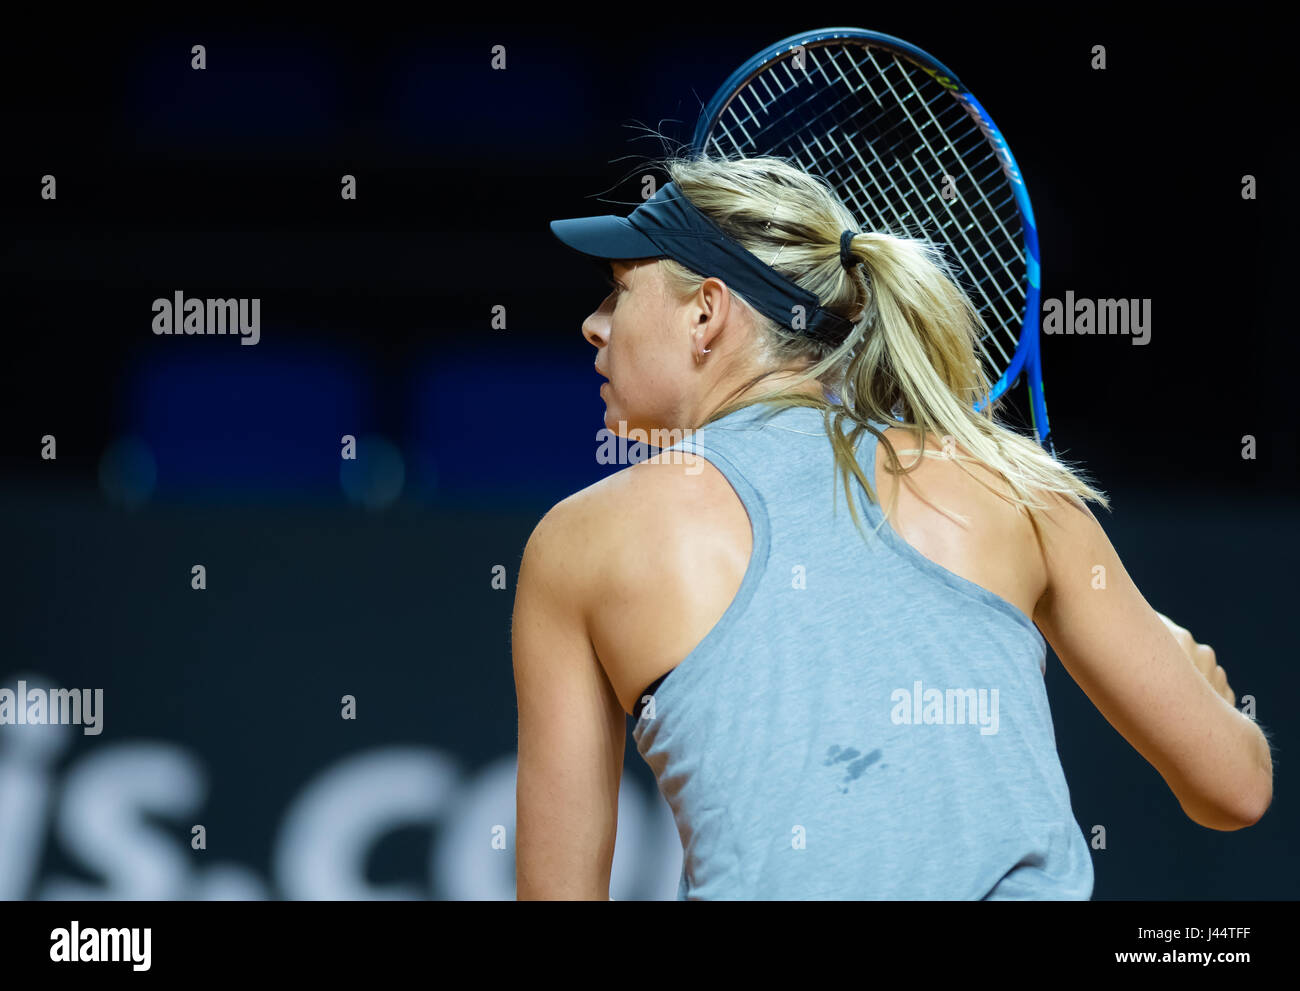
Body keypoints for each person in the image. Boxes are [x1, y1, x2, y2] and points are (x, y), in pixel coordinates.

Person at [512, 154, 1274, 900]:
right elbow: (1235, 787)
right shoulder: (1011, 485)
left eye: (618, 291)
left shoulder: (580, 542)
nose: (593, 324)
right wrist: (1197, 682)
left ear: (706, 311)